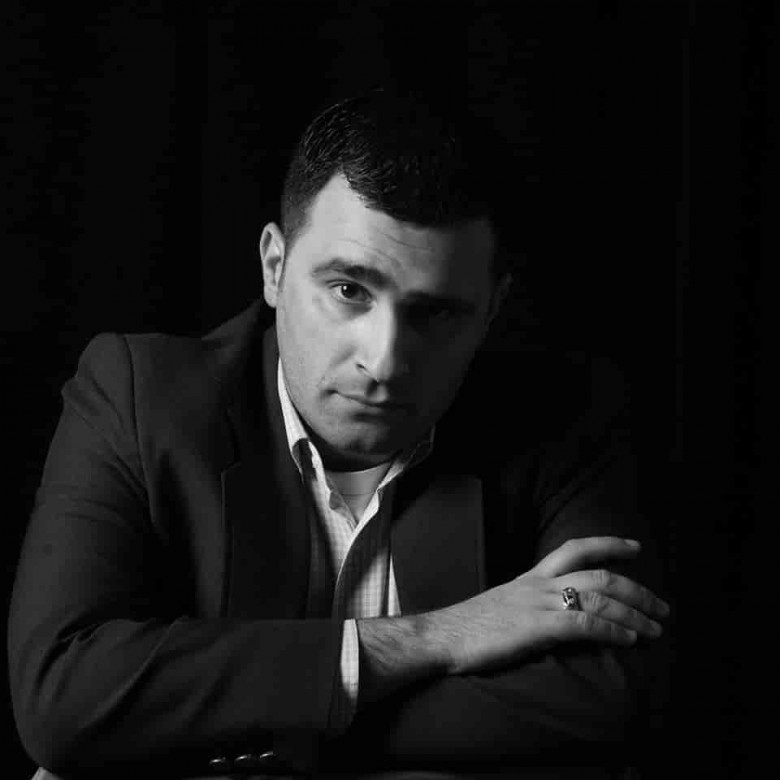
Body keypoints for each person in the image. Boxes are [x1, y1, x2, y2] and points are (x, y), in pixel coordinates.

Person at [8, 89, 669, 778]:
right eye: (349, 290)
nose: (384, 362)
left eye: (436, 313)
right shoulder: (138, 397)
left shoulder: (563, 418)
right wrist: (440, 636)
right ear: (275, 267)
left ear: (491, 310)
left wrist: (238, 731)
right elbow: (63, 697)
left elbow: (610, 692)